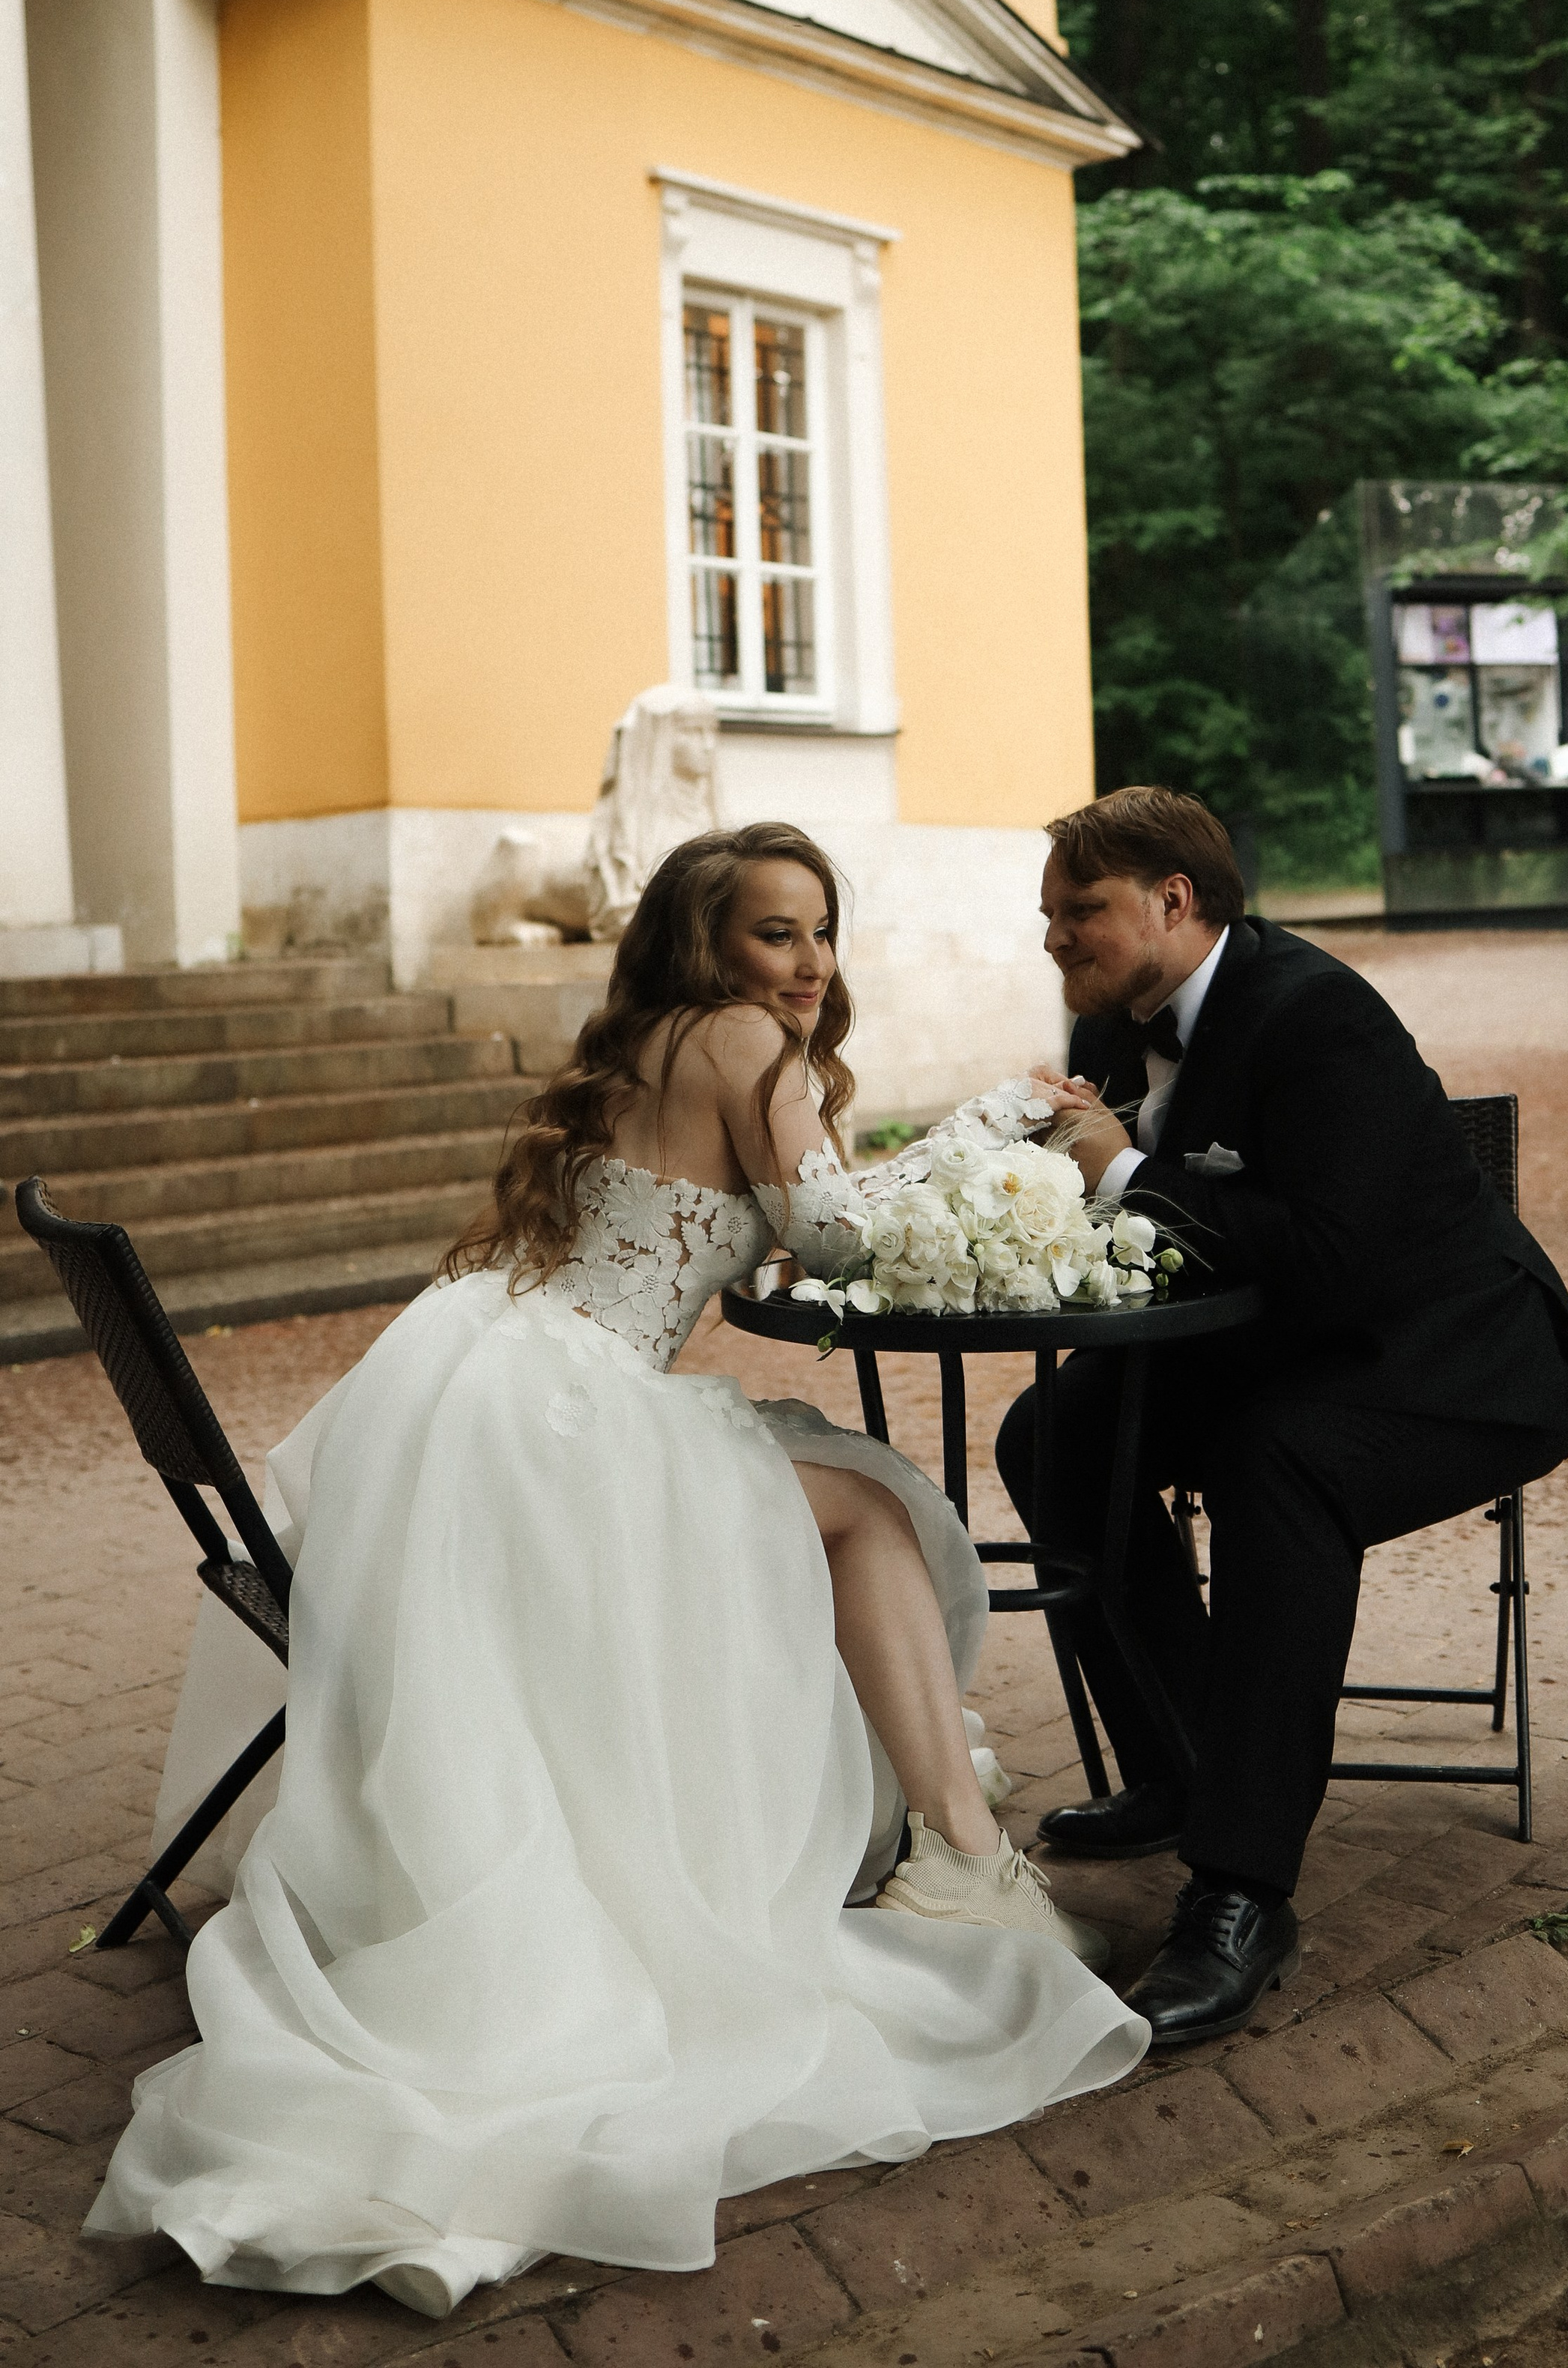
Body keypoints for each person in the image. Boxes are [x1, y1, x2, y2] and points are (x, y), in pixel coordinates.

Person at [88, 822, 1145, 2316]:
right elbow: (835, 1248)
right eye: (777, 934)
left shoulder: (650, 1038)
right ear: (712, 944)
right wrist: (1011, 1139)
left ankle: (946, 1848)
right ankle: (961, 1863)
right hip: (575, 1428)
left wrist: (957, 1139)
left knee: (844, 1494)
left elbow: (785, 1228)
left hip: (481, 1391)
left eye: (821, 932)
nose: (809, 964)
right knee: (877, 1514)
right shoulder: (745, 1048)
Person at [995, 786, 1568, 2051]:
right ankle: (1182, 1762)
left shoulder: (1318, 1015)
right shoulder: (1111, 1023)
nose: (1056, 936)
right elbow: (1155, 1221)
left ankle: (1242, 1890)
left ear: (1177, 901)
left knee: (1277, 1465)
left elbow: (1335, 1258)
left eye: (1081, 912)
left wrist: (1120, 1167)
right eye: (1049, 915)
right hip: (1286, 1345)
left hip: (1454, 1360)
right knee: (1054, 1432)